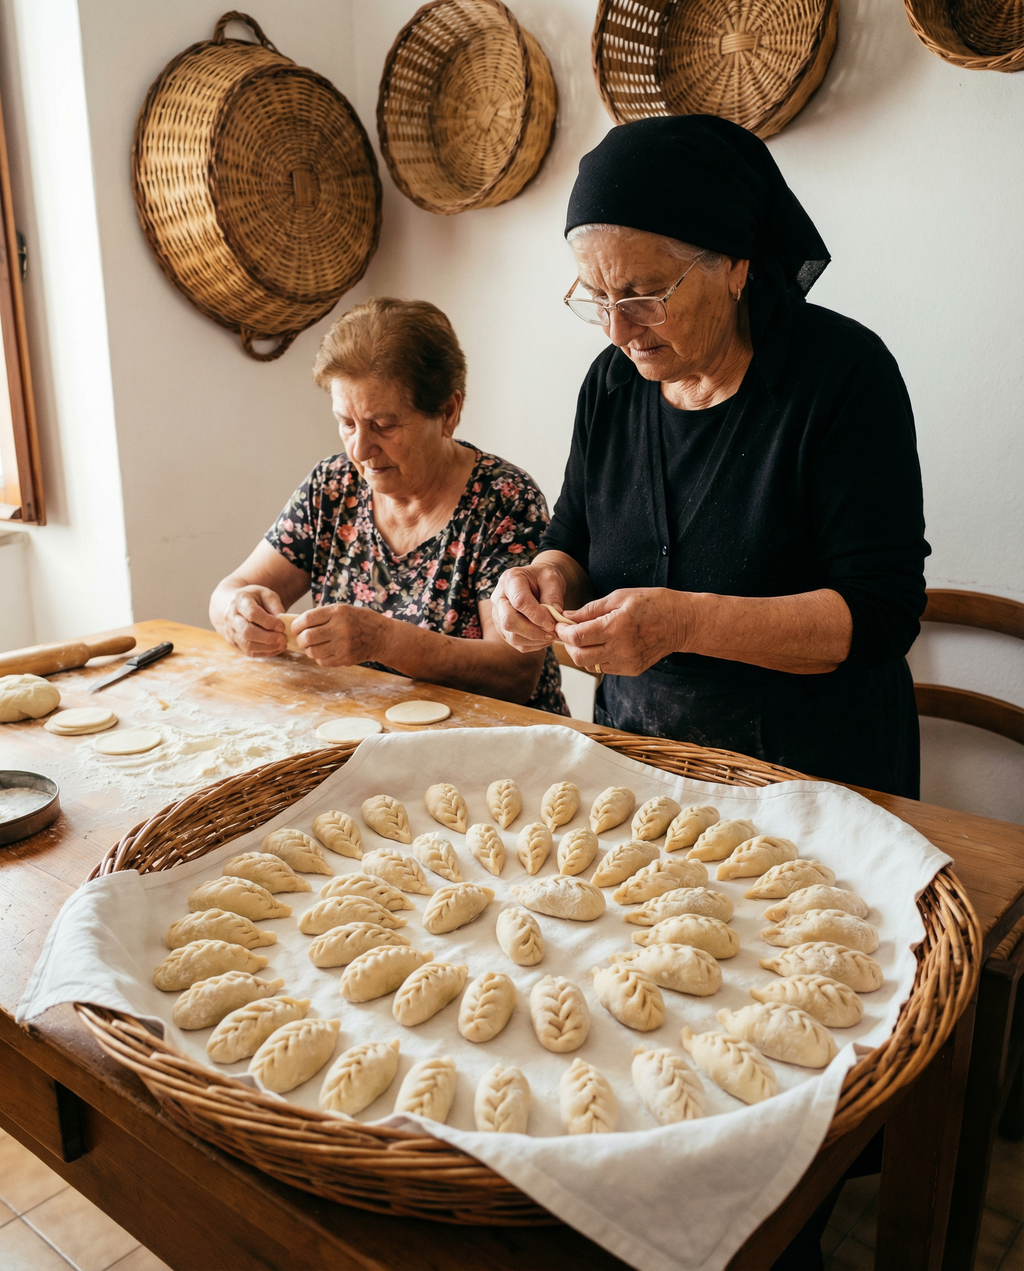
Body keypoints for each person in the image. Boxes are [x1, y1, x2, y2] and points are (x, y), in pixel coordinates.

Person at [492, 115, 929, 797]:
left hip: (815, 776)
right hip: (641, 765)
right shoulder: (611, 385)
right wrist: (540, 580)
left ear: (734, 266)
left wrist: (683, 623)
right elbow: (571, 539)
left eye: (643, 296)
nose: (617, 330)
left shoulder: (843, 377)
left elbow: (881, 611)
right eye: (598, 298)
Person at [211, 297, 567, 714]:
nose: (360, 450)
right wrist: (236, 613)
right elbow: (231, 591)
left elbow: (513, 674)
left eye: (383, 425)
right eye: (347, 423)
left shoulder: (503, 499)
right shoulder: (333, 485)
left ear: (448, 412)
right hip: (361, 728)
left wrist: (383, 640)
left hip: (490, 737)